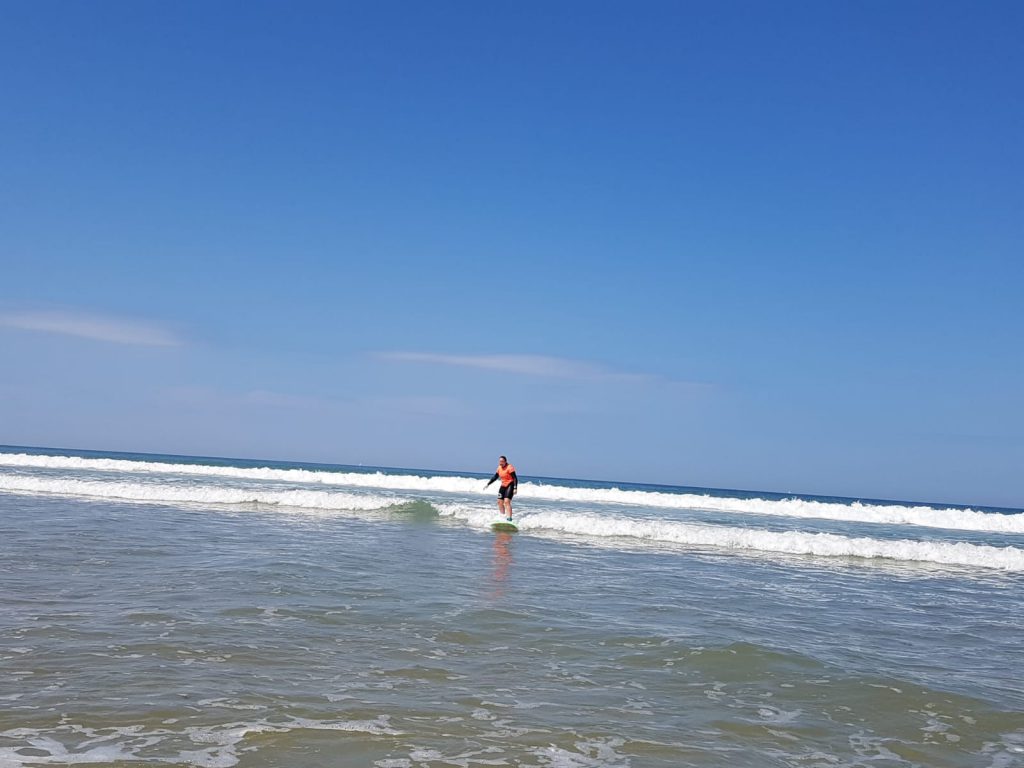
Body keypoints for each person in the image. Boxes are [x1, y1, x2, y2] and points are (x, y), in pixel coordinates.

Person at [484, 455, 518, 521]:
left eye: (502, 461)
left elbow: (515, 478)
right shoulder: (499, 468)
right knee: (499, 502)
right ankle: (502, 516)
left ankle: (509, 518)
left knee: (506, 501)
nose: (500, 463)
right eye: (500, 461)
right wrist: (488, 484)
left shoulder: (510, 467)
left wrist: (515, 488)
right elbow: (495, 477)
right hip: (503, 485)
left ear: (505, 461)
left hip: (510, 485)